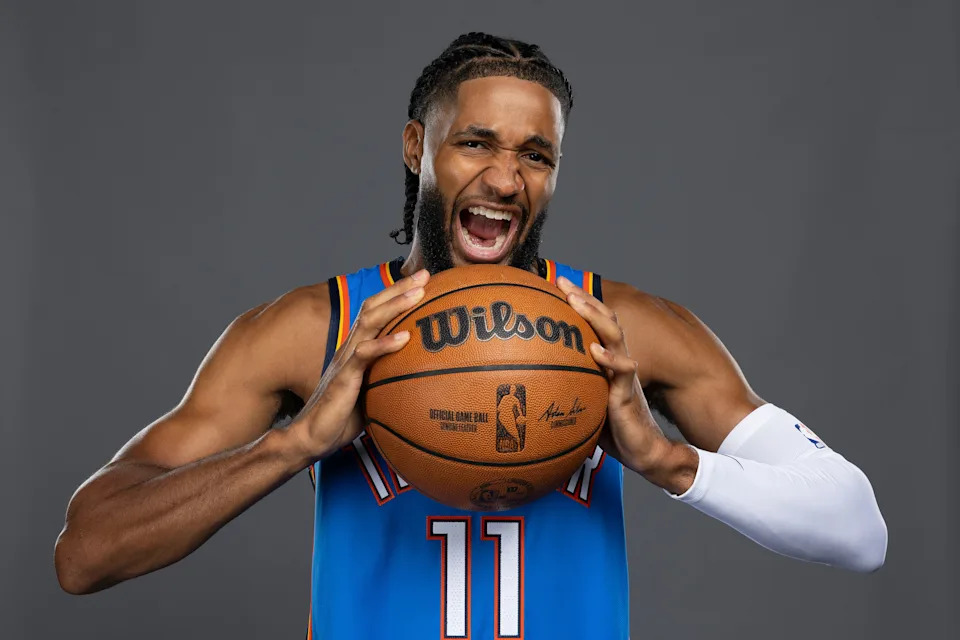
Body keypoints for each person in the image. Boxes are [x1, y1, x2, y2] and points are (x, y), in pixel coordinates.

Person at [54, 32, 887, 639]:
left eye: (536, 154)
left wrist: (668, 460)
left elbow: (860, 532)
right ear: (419, 148)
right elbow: (84, 555)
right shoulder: (315, 330)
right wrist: (295, 444)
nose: (504, 177)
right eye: (476, 142)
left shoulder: (619, 332)